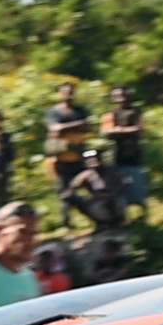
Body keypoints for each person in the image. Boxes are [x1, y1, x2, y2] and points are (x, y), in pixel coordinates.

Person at [43, 82, 91, 226]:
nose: (69, 96)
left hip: (80, 156)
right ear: (60, 94)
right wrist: (77, 125)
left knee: (89, 186)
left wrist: (65, 129)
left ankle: (96, 215)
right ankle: (67, 222)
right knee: (64, 191)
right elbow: (55, 129)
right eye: (65, 93)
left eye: (71, 93)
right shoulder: (54, 112)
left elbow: (88, 127)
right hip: (61, 158)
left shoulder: (81, 110)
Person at [102, 85, 147, 220]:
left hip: (134, 156)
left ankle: (144, 216)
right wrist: (128, 131)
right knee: (119, 189)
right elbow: (107, 132)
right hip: (118, 156)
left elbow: (140, 130)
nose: (121, 99)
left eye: (122, 95)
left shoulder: (137, 113)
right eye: (117, 96)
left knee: (138, 187)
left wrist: (119, 131)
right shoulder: (111, 115)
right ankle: (123, 218)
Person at [59, 148, 123, 230]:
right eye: (89, 159)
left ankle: (117, 221)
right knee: (71, 198)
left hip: (114, 202)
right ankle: (101, 222)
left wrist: (108, 194)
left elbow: (121, 186)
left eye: (94, 159)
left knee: (114, 201)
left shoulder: (112, 171)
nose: (92, 161)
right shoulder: (85, 175)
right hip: (97, 205)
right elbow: (70, 192)